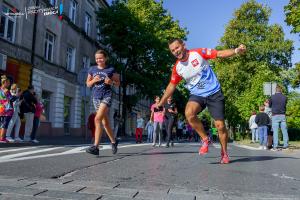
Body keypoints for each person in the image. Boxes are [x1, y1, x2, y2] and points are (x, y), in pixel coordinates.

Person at [156, 38, 246, 164]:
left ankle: (224, 153)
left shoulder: (198, 53)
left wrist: (236, 51)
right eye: (172, 50)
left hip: (214, 92)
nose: (176, 51)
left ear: (183, 45)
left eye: (177, 47)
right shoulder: (177, 68)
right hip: (197, 95)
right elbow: (171, 86)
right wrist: (160, 103)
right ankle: (205, 139)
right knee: (189, 113)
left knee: (220, 126)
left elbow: (219, 54)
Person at [85, 49, 120, 155]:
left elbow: (118, 83)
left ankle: (95, 147)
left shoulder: (110, 69)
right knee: (105, 122)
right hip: (96, 97)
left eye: (100, 58)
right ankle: (114, 141)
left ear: (105, 58)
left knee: (97, 118)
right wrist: (93, 81)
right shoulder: (92, 69)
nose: (98, 60)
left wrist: (111, 82)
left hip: (107, 96)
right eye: (96, 58)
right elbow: (88, 84)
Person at [269, 85, 289, 150]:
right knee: (284, 130)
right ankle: (286, 145)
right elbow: (285, 104)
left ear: (275, 90)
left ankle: (275, 146)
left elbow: (270, 105)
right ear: (281, 90)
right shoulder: (285, 97)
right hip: (283, 115)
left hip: (275, 115)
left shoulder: (272, 97)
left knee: (275, 131)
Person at [0, 75, 13, 143]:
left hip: (1, 109)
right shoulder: (6, 90)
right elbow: (11, 99)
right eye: (8, 83)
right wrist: (15, 96)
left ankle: (2, 137)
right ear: (4, 82)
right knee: (5, 124)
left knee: (1, 123)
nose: (9, 84)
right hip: (7, 109)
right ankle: (2, 138)